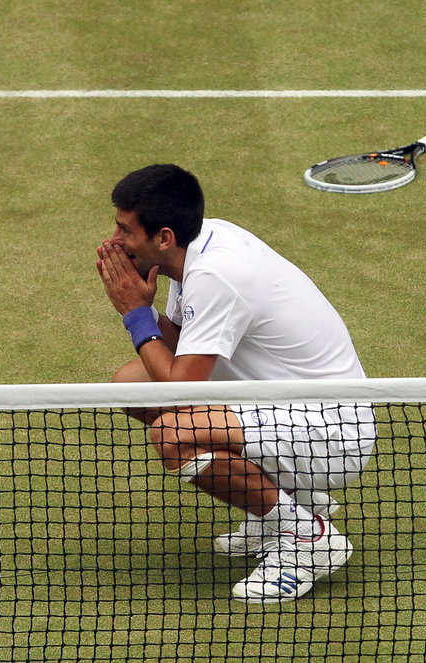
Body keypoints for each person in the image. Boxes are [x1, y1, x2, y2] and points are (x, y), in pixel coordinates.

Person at [94, 163, 375, 604]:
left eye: (124, 230)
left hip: (330, 433)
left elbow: (180, 390)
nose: (114, 242)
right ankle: (287, 503)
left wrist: (135, 315)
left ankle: (307, 538)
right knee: (130, 384)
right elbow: (185, 343)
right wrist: (144, 313)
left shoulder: (216, 275)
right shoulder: (198, 248)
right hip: (277, 402)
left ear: (164, 237)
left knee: (173, 435)